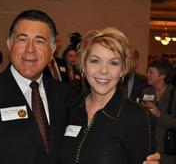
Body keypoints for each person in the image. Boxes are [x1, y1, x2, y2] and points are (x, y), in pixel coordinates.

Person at [0, 10, 160, 164]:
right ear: (10, 44)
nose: (30, 49)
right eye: (22, 39)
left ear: (52, 49)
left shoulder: (64, 96)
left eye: (39, 41)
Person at [59, 27, 156, 164]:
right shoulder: (69, 109)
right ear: (83, 66)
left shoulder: (137, 117)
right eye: (95, 61)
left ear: (123, 70)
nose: (103, 71)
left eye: (113, 63)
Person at [140, 58, 176, 164]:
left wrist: (159, 114)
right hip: (148, 147)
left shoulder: (175, 94)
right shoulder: (145, 92)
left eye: (151, 72)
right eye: (147, 71)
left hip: (168, 151)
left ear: (163, 75)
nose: (147, 74)